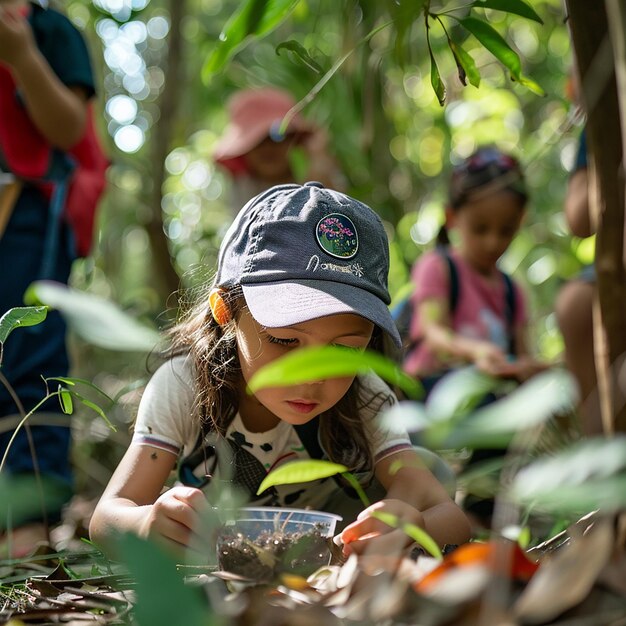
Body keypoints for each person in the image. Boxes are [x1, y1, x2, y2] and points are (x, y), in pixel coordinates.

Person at [89, 182, 471, 559]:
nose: (311, 375)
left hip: (333, 559)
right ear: (225, 313)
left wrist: (408, 529)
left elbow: (452, 519)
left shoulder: (366, 395)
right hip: (221, 566)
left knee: (431, 469)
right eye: (285, 342)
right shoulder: (184, 384)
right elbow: (108, 516)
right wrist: (145, 525)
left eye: (344, 350)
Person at [402, 146, 549, 527]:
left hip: (488, 397)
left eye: (506, 230)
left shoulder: (513, 291)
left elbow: (521, 354)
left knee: (521, 414)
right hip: (429, 389)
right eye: (480, 228)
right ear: (453, 219)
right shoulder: (438, 267)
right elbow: (434, 333)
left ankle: (481, 516)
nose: (492, 242)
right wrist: (476, 352)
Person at [0, 0, 95, 557]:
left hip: (31, 215)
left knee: (29, 359)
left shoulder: (50, 30)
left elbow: (68, 126)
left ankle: (26, 530)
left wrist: (21, 56)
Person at [213, 87, 344, 212]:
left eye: (277, 137)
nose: (268, 149)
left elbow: (332, 212)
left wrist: (318, 160)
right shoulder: (243, 185)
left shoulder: (312, 170)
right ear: (245, 150)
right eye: (257, 142)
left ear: (293, 139)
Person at [555, 129, 602, 436]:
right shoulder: (599, 125)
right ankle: (597, 440)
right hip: (611, 274)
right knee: (575, 306)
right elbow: (579, 219)